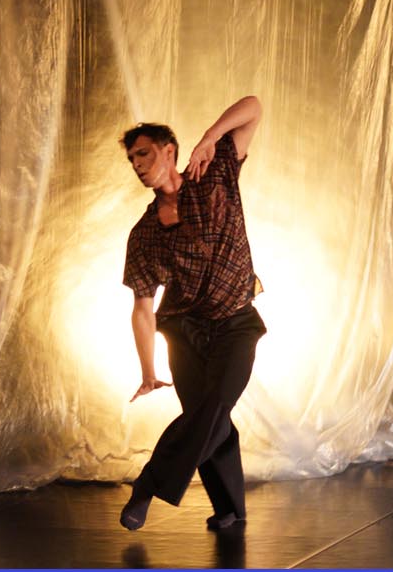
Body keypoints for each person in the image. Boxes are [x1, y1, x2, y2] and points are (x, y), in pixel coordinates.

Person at [117, 95, 267, 532]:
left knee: (215, 405)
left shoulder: (213, 175)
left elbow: (253, 107)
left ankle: (148, 483)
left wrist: (210, 137)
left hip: (235, 321)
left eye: (143, 154)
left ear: (169, 151)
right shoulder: (144, 233)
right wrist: (148, 371)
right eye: (131, 160)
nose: (137, 165)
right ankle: (230, 508)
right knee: (209, 417)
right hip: (184, 332)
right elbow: (142, 307)